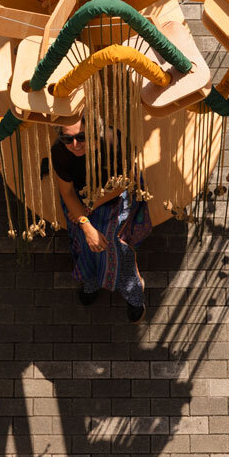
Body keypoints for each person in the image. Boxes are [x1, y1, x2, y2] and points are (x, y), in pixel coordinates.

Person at [51, 115, 151, 321]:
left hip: (113, 193)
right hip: (81, 194)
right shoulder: (60, 150)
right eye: (67, 139)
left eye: (81, 137)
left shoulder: (115, 143)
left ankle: (133, 290)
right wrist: (86, 225)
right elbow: (67, 192)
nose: (75, 145)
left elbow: (125, 182)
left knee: (113, 242)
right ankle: (91, 280)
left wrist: (90, 205)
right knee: (81, 238)